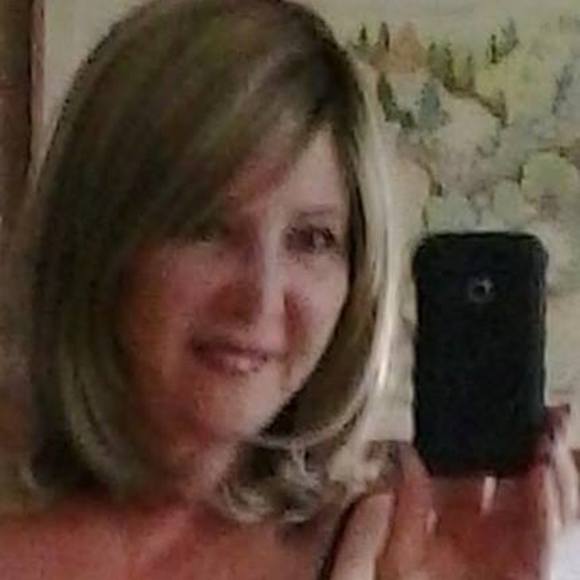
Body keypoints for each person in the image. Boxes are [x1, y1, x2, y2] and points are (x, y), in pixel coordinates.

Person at [0, 0, 576, 578]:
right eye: (208, 229)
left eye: (312, 240)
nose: (261, 298)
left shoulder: (390, 550)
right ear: (99, 242)